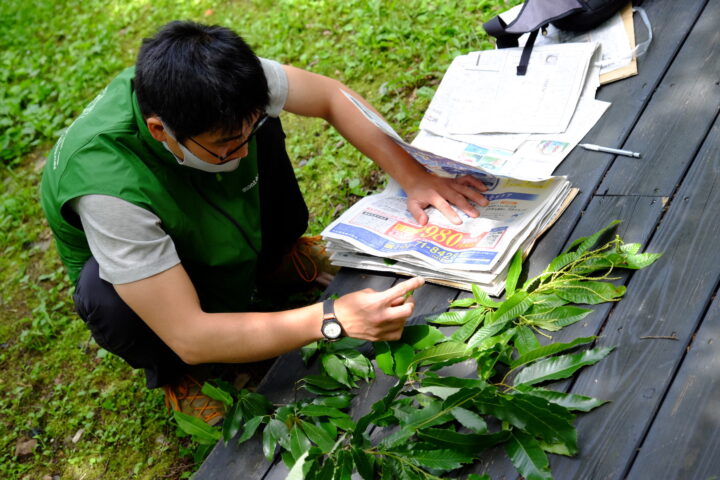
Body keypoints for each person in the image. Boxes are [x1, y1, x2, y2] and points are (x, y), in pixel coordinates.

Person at [40, 21, 488, 422]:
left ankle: (275, 262)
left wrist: (415, 176)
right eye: (224, 146)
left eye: (240, 138)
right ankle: (179, 377)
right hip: (163, 292)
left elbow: (329, 96)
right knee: (107, 295)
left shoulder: (223, 84)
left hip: (207, 207)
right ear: (160, 131)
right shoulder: (108, 190)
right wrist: (332, 318)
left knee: (261, 125)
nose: (240, 154)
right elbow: (190, 334)